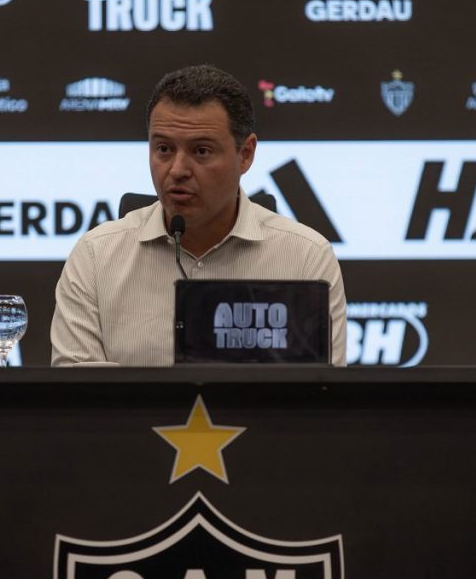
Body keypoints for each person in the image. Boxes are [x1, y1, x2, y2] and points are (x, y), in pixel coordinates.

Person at [50, 65, 346, 366]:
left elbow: (322, 390)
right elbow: (76, 389)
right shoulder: (96, 257)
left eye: (201, 151)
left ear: (245, 154)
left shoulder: (305, 257)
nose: (177, 170)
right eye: (163, 148)